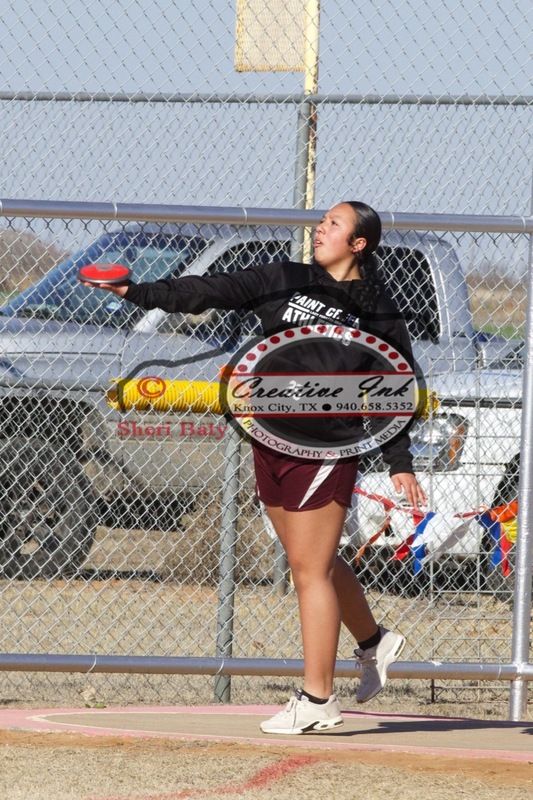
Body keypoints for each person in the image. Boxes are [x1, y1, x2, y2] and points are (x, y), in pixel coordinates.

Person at [82, 200, 427, 735]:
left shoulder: (377, 310)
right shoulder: (284, 278)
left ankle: (317, 700)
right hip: (269, 440)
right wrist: (138, 291)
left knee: (308, 571)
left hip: (327, 448)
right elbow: (207, 290)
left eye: (333, 224)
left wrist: (398, 461)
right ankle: (374, 641)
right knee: (312, 560)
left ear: (358, 244)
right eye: (322, 221)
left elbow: (394, 386)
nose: (320, 229)